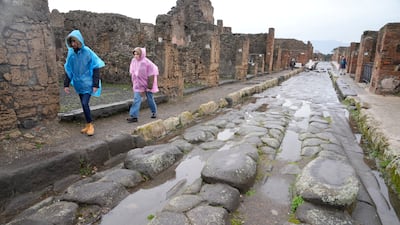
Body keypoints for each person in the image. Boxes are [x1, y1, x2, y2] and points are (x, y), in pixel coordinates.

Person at [63, 30, 105, 136]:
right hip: (78, 84)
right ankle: (87, 125)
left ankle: (90, 125)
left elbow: (95, 67)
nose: (73, 44)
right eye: (71, 42)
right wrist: (66, 84)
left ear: (79, 40)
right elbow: (69, 70)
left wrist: (95, 84)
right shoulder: (71, 55)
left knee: (85, 103)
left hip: (87, 83)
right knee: (83, 104)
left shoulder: (87, 51)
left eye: (75, 41)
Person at [127, 47, 159, 123]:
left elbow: (151, 76)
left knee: (150, 98)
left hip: (147, 84)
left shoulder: (147, 63)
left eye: (137, 54)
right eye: (134, 54)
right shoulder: (133, 61)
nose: (135, 56)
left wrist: (149, 87)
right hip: (138, 84)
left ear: (141, 54)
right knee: (136, 99)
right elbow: (133, 73)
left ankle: (154, 111)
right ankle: (134, 116)